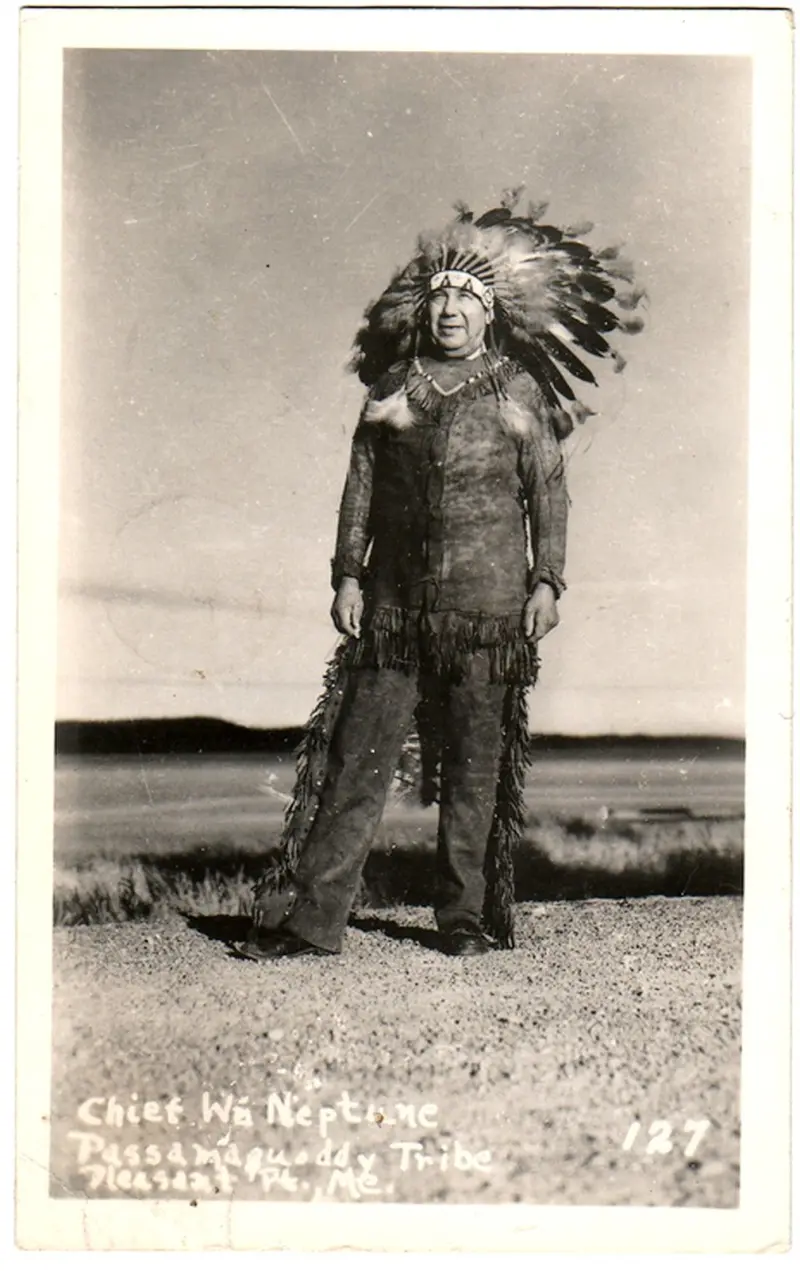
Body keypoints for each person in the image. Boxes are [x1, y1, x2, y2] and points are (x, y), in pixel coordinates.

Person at [235, 190, 642, 961]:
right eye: (439, 298)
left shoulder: (519, 391)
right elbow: (359, 487)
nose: (451, 310)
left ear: (490, 314)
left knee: (475, 770)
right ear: (422, 311)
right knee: (355, 762)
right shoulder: (391, 389)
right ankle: (312, 922)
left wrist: (547, 581)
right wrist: (346, 577)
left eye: (466, 299)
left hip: (488, 611)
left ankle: (464, 919)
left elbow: (548, 492)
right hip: (391, 608)